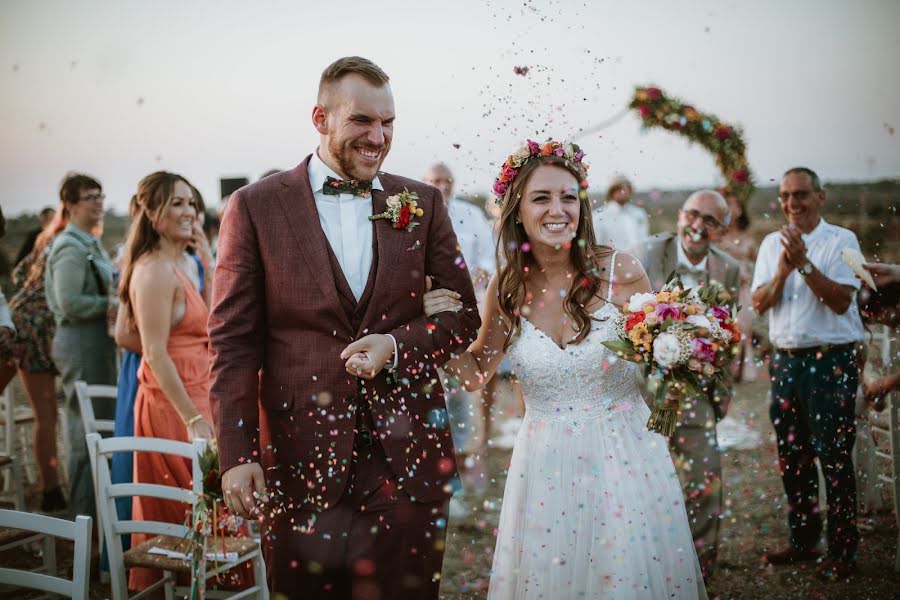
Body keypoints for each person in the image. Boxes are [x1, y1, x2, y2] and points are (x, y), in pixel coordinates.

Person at [208, 56, 480, 599]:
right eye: (361, 120)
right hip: (299, 457)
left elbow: (463, 315)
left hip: (407, 459)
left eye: (389, 123)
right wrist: (236, 456)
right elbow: (233, 343)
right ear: (320, 118)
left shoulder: (422, 204)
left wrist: (397, 345)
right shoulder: (256, 207)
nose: (378, 136)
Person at [429, 139, 706, 598]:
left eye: (568, 197)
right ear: (517, 210)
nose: (558, 209)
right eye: (541, 197)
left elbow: (662, 357)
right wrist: (433, 328)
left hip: (626, 457)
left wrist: (685, 353)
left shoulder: (622, 271)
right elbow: (477, 371)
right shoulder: (508, 286)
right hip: (544, 466)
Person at [752, 167, 865, 581]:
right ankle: (803, 541)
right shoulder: (769, 243)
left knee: (833, 457)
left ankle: (843, 551)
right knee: (793, 457)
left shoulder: (841, 241)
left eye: (800, 194)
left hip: (830, 360)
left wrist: (803, 264)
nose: (791, 203)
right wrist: (783, 268)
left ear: (821, 196)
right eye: (784, 196)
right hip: (785, 362)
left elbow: (839, 301)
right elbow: (761, 303)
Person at [630, 190, 740, 579]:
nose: (698, 225)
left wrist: (718, 398)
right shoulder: (646, 253)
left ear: (722, 230)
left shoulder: (728, 271)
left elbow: (730, 337)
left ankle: (699, 569)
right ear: (680, 216)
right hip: (640, 392)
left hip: (696, 393)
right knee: (645, 481)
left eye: (710, 221)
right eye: (693, 215)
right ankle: (646, 566)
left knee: (703, 483)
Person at [117, 171, 216, 590]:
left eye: (191, 203)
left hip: (202, 384)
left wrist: (209, 263)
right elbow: (154, 351)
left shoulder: (184, 263)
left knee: (209, 495)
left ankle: (211, 580)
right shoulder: (153, 270)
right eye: (176, 203)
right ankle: (184, 584)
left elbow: (211, 322)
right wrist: (192, 418)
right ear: (152, 213)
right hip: (174, 401)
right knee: (185, 500)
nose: (189, 211)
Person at [423, 162, 494, 515]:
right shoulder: (415, 212)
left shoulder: (470, 215)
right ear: (425, 183)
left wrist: (477, 273)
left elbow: (488, 259)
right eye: (434, 181)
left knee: (463, 399)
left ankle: (466, 481)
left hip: (465, 317)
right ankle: (439, 484)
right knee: (431, 404)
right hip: (425, 319)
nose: (441, 186)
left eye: (446, 180)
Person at [44, 173, 116, 520]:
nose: (98, 202)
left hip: (96, 343)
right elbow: (69, 301)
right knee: (85, 431)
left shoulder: (91, 241)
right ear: (71, 205)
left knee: (99, 428)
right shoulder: (69, 246)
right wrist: (112, 305)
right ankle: (83, 522)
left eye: (100, 196)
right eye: (90, 197)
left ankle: (99, 519)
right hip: (79, 342)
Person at [0, 202, 68, 513]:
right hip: (31, 328)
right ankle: (50, 489)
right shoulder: (62, 239)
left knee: (49, 412)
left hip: (27, 323)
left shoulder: (51, 236)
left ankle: (50, 486)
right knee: (46, 412)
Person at [717, 193, 758, 381]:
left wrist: (748, 275)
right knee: (724, 326)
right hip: (723, 288)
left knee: (743, 327)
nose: (733, 211)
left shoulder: (747, 236)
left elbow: (756, 260)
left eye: (736, 206)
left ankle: (740, 370)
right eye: (728, 206)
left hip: (743, 288)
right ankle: (725, 368)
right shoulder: (718, 235)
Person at [590, 174, 650, 250]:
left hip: (640, 261)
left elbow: (645, 241)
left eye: (627, 188)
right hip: (611, 260)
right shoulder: (598, 216)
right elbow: (596, 246)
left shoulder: (639, 213)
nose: (624, 192)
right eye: (620, 189)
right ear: (612, 191)